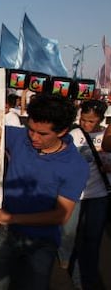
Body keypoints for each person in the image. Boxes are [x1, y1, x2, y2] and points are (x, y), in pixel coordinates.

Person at [0, 92, 89, 290]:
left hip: (41, 243)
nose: (34, 137)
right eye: (31, 129)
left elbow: (61, 215)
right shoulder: (19, 138)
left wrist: (12, 218)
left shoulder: (76, 166)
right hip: (6, 234)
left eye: (42, 134)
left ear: (62, 131)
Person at [62, 99, 109, 289]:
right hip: (74, 195)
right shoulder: (74, 134)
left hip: (99, 196)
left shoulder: (108, 135)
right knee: (68, 235)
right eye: (83, 119)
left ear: (100, 119)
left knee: (93, 238)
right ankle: (64, 261)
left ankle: (86, 277)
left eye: (91, 121)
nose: (86, 124)